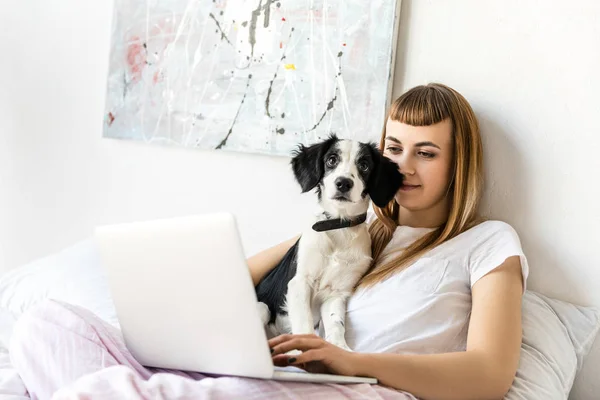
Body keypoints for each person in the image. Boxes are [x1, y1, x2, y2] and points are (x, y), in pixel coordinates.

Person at [10, 83, 528, 400]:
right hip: (289, 371)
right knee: (46, 325)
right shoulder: (352, 231)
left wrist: (353, 362)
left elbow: (489, 375)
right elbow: (231, 277)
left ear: (460, 163)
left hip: (362, 389)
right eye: (394, 147)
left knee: (146, 390)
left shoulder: (485, 241)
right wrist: (172, 328)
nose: (404, 166)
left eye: (428, 152)